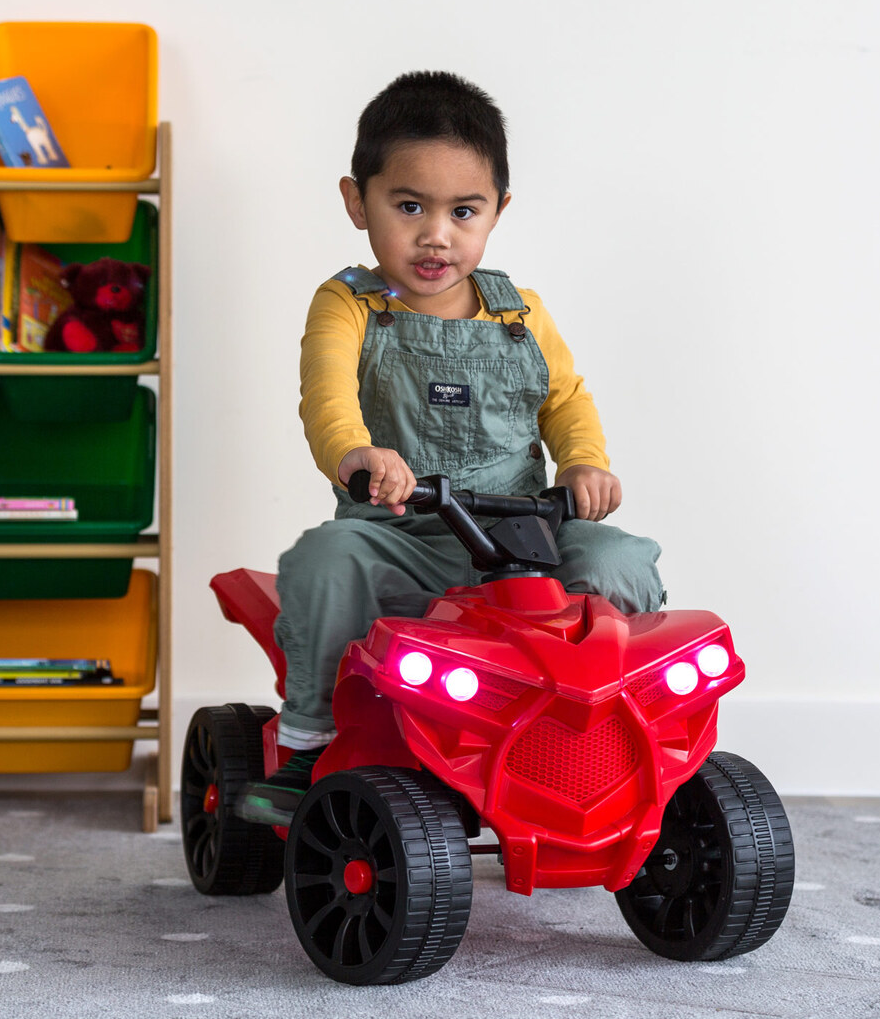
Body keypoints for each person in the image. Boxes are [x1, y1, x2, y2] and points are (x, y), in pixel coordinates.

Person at [242, 71, 665, 825]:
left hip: (524, 539)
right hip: (404, 534)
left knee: (619, 560)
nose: (436, 234)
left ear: (498, 210)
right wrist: (357, 454)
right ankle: (310, 739)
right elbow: (327, 395)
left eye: (463, 211)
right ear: (357, 202)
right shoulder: (348, 304)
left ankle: (606, 722)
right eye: (409, 207)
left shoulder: (520, 313)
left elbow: (565, 397)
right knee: (323, 558)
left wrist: (583, 462)